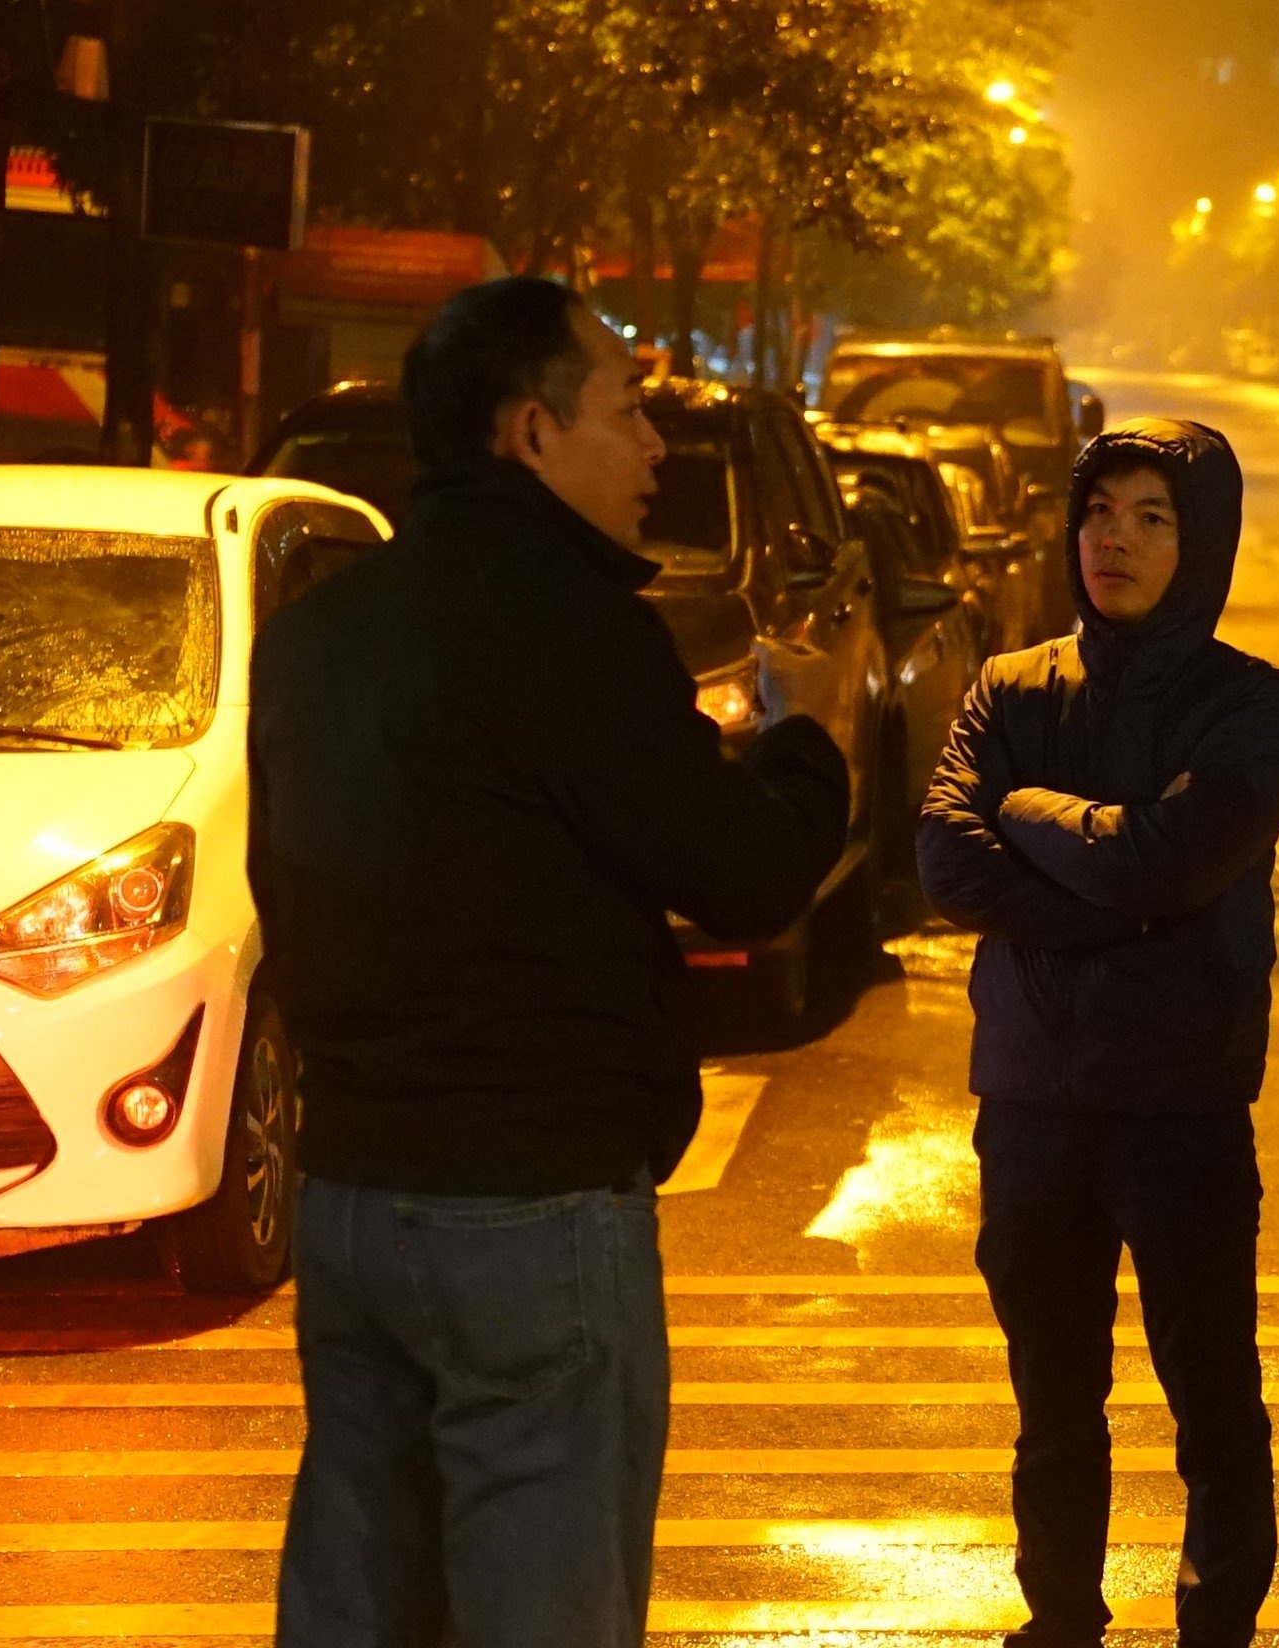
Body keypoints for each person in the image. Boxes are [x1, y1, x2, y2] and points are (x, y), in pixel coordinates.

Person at [250, 276, 849, 1647]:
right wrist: (802, 740)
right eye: (627, 410)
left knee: (360, 1600)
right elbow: (747, 875)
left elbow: (282, 886)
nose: (655, 448)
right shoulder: (569, 629)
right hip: (527, 1211)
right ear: (531, 430)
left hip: (349, 1202)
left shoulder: (319, 634)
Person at [919, 419, 1279, 1648]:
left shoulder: (1249, 704)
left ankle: (1216, 1622)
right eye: (1098, 513)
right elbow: (945, 857)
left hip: (1181, 1099)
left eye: (1151, 517)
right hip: (1032, 1100)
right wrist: (1122, 902)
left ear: (1202, 543)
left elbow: (1176, 860)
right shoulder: (1010, 685)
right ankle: (1057, 1619)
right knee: (1051, 1401)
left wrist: (1031, 814)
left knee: (1212, 1395)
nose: (1115, 541)